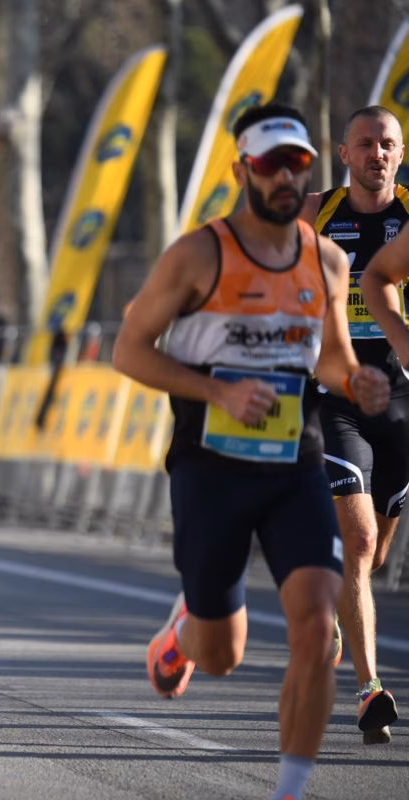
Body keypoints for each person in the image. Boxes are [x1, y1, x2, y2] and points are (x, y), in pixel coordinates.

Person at [112, 104, 390, 800]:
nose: (284, 179)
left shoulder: (325, 258)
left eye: (295, 165)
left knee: (312, 623)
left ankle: (288, 791)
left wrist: (358, 380)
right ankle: (183, 633)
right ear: (243, 170)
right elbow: (129, 349)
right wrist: (217, 392)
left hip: (295, 461)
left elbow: (331, 361)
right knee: (223, 653)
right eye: (269, 166)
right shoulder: (199, 254)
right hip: (211, 467)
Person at [299, 105, 405, 745]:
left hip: (399, 394)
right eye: (365, 143)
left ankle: (342, 608)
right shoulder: (317, 213)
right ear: (344, 152)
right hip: (333, 390)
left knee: (378, 551)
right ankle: (370, 689)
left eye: (387, 143)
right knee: (360, 542)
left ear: (400, 151)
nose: (377, 153)